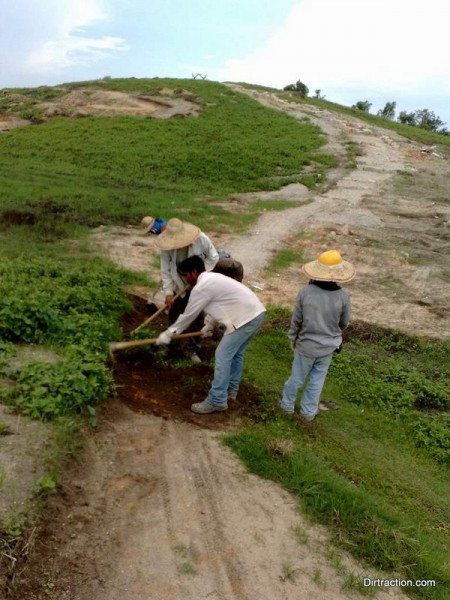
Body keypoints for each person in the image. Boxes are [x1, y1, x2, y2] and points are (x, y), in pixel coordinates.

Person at [156, 256, 266, 414]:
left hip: (245, 319)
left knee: (222, 354)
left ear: (194, 272)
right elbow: (223, 302)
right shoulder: (212, 278)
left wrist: (168, 334)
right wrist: (210, 324)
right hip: (256, 313)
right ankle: (230, 392)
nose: (185, 280)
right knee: (235, 355)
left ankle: (217, 400)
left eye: (186, 275)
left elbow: (188, 315)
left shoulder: (201, 287)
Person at [279, 250, 355, 421]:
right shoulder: (343, 296)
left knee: (297, 378)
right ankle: (308, 413)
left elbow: (296, 320)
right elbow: (344, 323)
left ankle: (286, 406)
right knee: (316, 381)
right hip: (328, 347)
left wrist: (292, 338)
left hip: (306, 345)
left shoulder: (305, 292)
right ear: (338, 274)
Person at [153, 218, 220, 362]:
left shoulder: (201, 239)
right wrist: (169, 292)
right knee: (174, 316)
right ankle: (172, 349)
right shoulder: (166, 245)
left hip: (198, 284)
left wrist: (200, 275)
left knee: (197, 317)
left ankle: (192, 350)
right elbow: (165, 270)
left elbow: (213, 257)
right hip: (179, 283)